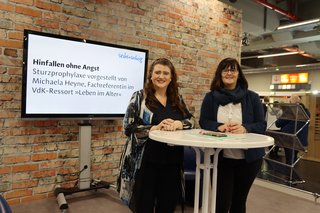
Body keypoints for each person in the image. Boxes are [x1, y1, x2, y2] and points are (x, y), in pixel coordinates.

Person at [118, 58, 194, 213]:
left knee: (167, 205)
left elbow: (192, 121)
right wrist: (154, 128)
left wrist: (180, 124)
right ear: (151, 76)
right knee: (144, 206)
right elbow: (128, 127)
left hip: (172, 162)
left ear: (171, 77)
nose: (161, 76)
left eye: (166, 73)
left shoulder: (177, 99)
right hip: (146, 162)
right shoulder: (140, 97)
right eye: (157, 72)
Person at [199, 58, 266, 213]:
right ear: (220, 74)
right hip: (220, 159)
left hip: (249, 160)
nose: (229, 73)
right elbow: (204, 121)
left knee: (239, 202)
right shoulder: (211, 97)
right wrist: (218, 126)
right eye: (225, 70)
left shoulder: (253, 97)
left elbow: (261, 125)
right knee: (221, 204)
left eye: (233, 70)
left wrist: (244, 128)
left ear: (238, 74)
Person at [275, 95, 310, 165]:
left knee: (289, 158)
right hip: (300, 139)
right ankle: (293, 173)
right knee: (294, 158)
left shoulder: (290, 111)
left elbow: (278, 123)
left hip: (289, 138)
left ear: (291, 102)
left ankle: (289, 174)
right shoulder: (306, 111)